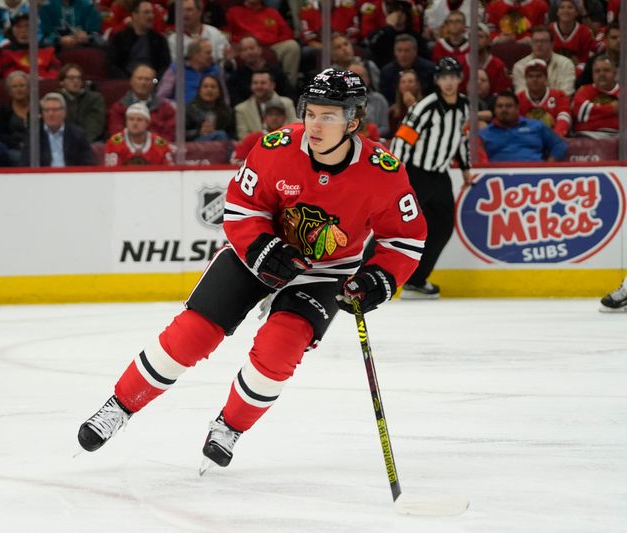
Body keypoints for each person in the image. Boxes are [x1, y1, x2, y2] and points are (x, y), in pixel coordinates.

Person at [77, 68, 427, 472]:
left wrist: (378, 278)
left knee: (281, 349)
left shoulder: (383, 172)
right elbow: (242, 207)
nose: (315, 124)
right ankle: (119, 406)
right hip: (259, 253)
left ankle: (230, 427)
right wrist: (262, 247)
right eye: (310, 112)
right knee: (193, 334)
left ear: (353, 120)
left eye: (328, 116)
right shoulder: (277, 148)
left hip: (326, 271)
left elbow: (403, 239)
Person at [389, 57, 471, 299]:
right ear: (437, 80)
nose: (448, 82)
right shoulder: (426, 106)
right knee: (395, 225)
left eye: (452, 76)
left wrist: (466, 168)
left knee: (443, 228)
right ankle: (361, 274)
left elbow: (461, 139)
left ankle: (416, 280)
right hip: (416, 174)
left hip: (440, 176)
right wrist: (395, 173)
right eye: (444, 77)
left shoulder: (464, 106)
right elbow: (403, 138)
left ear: (459, 79)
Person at [225, 0, 301, 88]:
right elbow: (227, 34)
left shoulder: (272, 12)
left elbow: (287, 34)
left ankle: (289, 87)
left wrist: (269, 42)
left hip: (271, 47)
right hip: (245, 48)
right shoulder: (234, 12)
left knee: (292, 46)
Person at [479, 90, 568, 161]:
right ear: (494, 110)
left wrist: (547, 167)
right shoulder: (484, 134)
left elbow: (559, 144)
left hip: (534, 178)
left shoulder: (536, 126)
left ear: (517, 108)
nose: (504, 109)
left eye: (508, 106)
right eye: (499, 106)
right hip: (498, 180)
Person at [21, 92, 95, 167]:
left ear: (64, 112)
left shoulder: (77, 134)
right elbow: (25, 164)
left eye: (55, 110)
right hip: (44, 177)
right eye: (46, 110)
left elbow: (88, 163)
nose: (51, 114)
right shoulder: (34, 135)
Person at [107, 63, 176, 142]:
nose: (143, 83)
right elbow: (116, 134)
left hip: (158, 150)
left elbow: (170, 134)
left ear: (154, 83)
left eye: (147, 79)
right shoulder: (118, 108)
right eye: (139, 78)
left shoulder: (166, 108)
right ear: (131, 81)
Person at [224, 35, 294, 105]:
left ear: (260, 50)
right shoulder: (236, 78)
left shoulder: (276, 72)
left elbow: (289, 95)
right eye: (245, 50)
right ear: (241, 54)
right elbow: (236, 103)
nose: (249, 52)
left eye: (252, 48)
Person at [108, 0, 171, 78]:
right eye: (146, 12)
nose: (151, 16)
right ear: (135, 15)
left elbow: (165, 67)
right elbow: (112, 65)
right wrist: (129, 81)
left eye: (152, 12)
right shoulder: (119, 39)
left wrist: (155, 81)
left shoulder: (159, 40)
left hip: (153, 82)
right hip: (126, 81)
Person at [512, 26, 576, 96]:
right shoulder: (520, 66)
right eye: (535, 41)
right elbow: (521, 96)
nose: (539, 44)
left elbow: (566, 94)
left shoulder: (566, 64)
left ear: (552, 44)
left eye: (543, 41)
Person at [156, 37, 223, 104]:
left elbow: (224, 98)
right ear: (195, 55)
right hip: (181, 112)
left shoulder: (215, 70)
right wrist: (177, 107)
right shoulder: (177, 69)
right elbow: (161, 97)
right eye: (208, 53)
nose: (211, 56)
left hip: (210, 112)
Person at [234, 69, 296, 140]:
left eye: (263, 83)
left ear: (272, 85)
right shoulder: (241, 109)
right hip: (255, 148)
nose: (259, 86)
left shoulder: (287, 103)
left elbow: (295, 128)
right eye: (255, 83)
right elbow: (243, 138)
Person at [104, 102, 173, 166]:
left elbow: (169, 172)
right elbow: (112, 173)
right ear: (126, 122)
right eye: (131, 119)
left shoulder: (160, 145)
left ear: (147, 123)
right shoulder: (114, 144)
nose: (135, 123)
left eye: (139, 119)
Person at [517, 58, 572, 137]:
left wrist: (555, 137)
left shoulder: (559, 95)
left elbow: (564, 118)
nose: (534, 79)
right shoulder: (518, 99)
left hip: (554, 139)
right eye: (530, 76)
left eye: (539, 76)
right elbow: (516, 125)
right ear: (525, 79)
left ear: (546, 78)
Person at [167, 0, 231, 66]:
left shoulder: (214, 33)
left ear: (200, 12)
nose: (184, 13)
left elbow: (225, 62)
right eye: (181, 10)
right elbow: (174, 66)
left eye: (189, 10)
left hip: (214, 74)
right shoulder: (173, 39)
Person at [571, 54, 619, 138]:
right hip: (587, 137)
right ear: (592, 74)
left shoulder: (623, 93)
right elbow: (582, 115)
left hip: (618, 138)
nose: (601, 74)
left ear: (614, 73)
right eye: (597, 71)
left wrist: (593, 112)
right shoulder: (584, 90)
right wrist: (612, 109)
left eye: (606, 70)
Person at [1, 13, 61, 79]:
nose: (23, 30)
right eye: (18, 26)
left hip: (46, 83)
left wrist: (44, 79)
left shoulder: (48, 49)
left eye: (27, 26)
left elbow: (56, 70)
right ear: (12, 30)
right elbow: (9, 75)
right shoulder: (6, 51)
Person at [378, 34, 435, 104]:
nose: (403, 54)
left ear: (415, 51)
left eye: (407, 50)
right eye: (399, 50)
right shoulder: (386, 72)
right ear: (394, 52)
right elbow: (384, 98)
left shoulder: (430, 69)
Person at [229, 97, 287, 163]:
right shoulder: (254, 138)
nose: (274, 118)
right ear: (264, 119)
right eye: (270, 114)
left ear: (284, 118)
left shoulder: (290, 138)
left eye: (278, 114)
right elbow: (235, 160)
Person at [57, 63, 106, 143]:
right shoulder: (54, 100)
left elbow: (94, 127)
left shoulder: (94, 99)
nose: (76, 81)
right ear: (61, 82)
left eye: (78, 78)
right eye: (71, 78)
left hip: (89, 142)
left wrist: (80, 144)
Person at [459, 23, 511, 96]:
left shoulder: (498, 65)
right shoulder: (459, 63)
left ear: (488, 40)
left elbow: (501, 93)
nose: (476, 40)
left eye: (480, 36)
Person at [0, 71, 30, 166]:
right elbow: (0, 135)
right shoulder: (3, 111)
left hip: (37, 147)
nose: (19, 89)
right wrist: (17, 144)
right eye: (14, 87)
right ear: (9, 91)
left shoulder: (39, 107)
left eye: (22, 85)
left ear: (28, 88)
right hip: (14, 149)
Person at [549, 0, 595, 74]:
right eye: (562, 7)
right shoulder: (549, 30)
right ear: (557, 12)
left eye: (570, 7)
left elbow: (585, 60)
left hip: (577, 74)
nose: (566, 10)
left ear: (576, 13)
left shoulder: (585, 32)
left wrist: (573, 73)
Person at [347, 61, 389, 138]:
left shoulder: (379, 100)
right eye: (353, 76)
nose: (357, 80)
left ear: (368, 79)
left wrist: (370, 133)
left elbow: (385, 128)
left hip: (371, 140)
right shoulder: (338, 100)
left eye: (361, 76)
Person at [185, 74, 233, 141]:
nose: (209, 90)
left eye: (213, 87)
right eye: (205, 86)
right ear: (199, 91)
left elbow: (232, 135)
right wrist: (198, 132)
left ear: (219, 92)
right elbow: (182, 134)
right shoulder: (189, 109)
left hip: (220, 144)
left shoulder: (227, 111)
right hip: (195, 144)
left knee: (221, 135)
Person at [388, 68, 422, 133]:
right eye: (403, 82)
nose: (407, 85)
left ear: (417, 85)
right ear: (399, 86)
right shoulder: (393, 112)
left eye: (410, 81)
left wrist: (413, 106)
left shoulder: (426, 105)